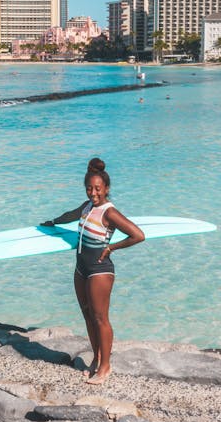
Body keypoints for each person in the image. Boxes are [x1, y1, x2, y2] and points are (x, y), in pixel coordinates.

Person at [42, 158, 145, 385]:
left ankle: (106, 367)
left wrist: (111, 247)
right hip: (81, 268)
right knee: (88, 316)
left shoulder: (110, 212)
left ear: (106, 189)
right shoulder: (87, 207)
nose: (93, 193)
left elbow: (138, 235)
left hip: (100, 270)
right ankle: (96, 358)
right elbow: (71, 214)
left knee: (100, 319)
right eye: (89, 188)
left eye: (98, 188)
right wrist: (52, 222)